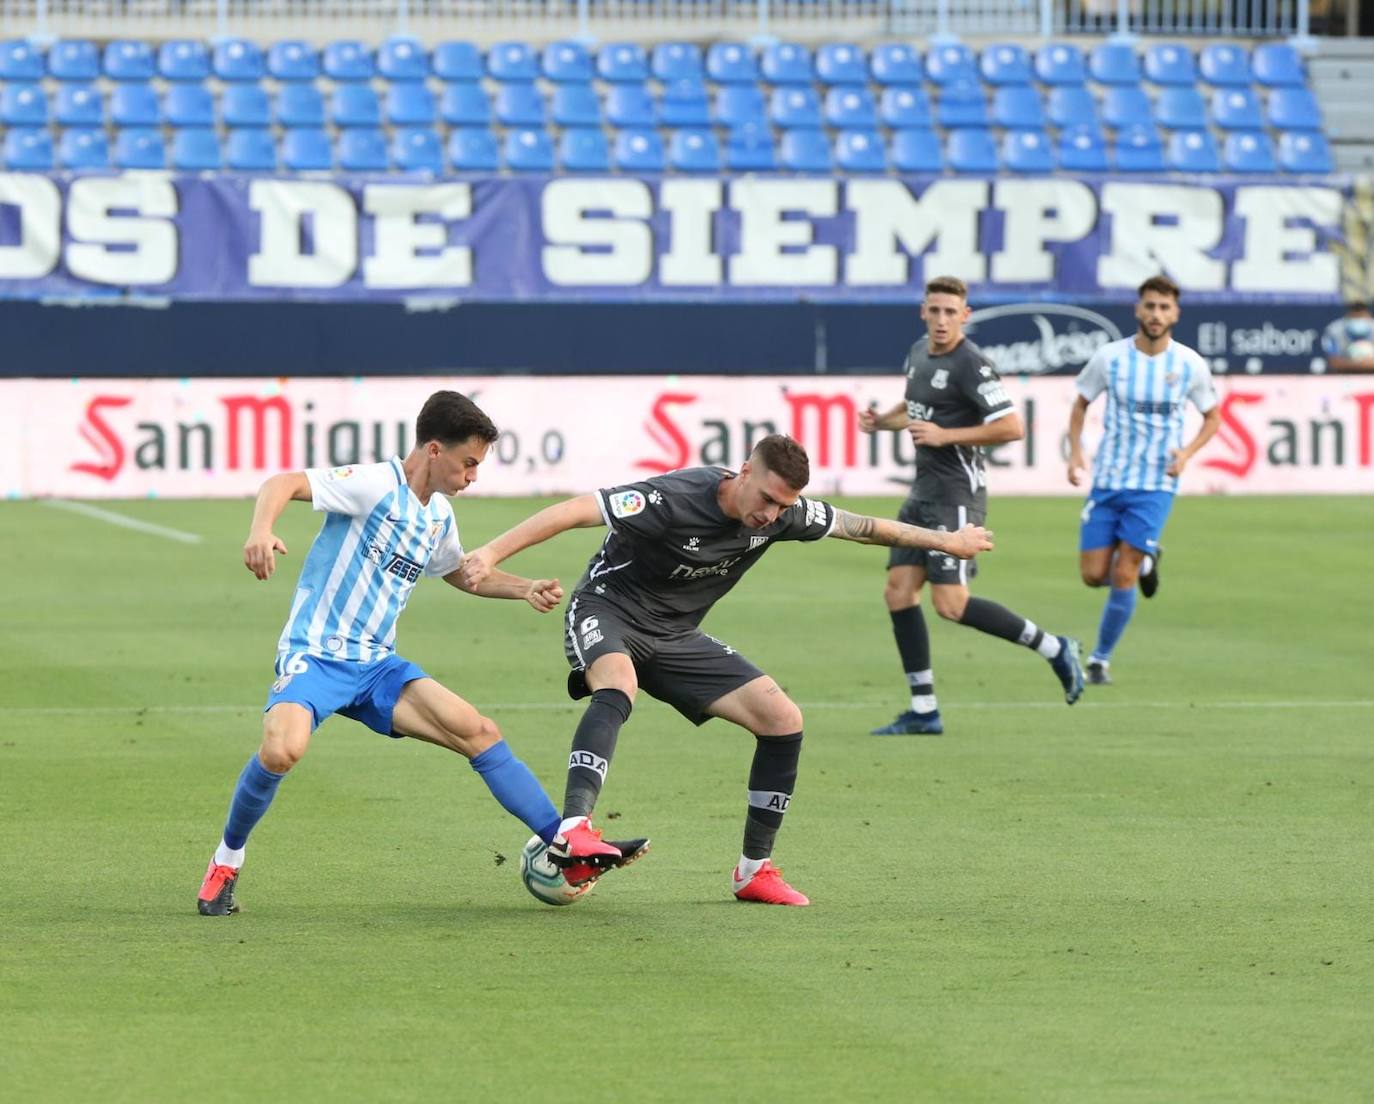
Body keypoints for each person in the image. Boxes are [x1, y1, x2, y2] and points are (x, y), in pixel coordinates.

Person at [457, 435, 992, 907]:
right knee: (619, 684)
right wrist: (491, 551)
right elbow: (575, 510)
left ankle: (753, 872)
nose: (770, 514)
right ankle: (575, 829)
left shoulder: (785, 514)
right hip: (607, 610)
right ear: (743, 471)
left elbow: (864, 527)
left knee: (782, 719)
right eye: (765, 498)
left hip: (676, 636)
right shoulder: (674, 497)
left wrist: (947, 542)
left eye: (783, 505)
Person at [196, 391, 636, 916]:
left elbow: (455, 571)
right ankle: (226, 861)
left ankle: (567, 845)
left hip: (378, 667)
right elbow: (283, 482)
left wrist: (521, 588)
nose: (473, 476)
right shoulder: (374, 485)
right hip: (317, 655)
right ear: (433, 449)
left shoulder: (438, 516)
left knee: (479, 731)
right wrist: (261, 531)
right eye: (468, 463)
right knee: (281, 751)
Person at [857, 275, 1085, 737]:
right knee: (898, 593)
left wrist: (946, 436)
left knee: (951, 604)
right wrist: (883, 422)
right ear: (923, 311)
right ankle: (924, 709)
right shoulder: (920, 351)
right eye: (934, 310)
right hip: (921, 494)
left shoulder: (972, 364)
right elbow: (917, 404)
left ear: (966, 315)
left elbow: (1011, 427)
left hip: (956, 497)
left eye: (950, 312)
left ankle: (1055, 647)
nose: (941, 320)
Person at [1067, 275, 1222, 685]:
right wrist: (1077, 452)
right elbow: (1080, 404)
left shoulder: (1189, 364)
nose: (1156, 314)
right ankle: (1149, 558)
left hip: (1156, 482)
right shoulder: (1110, 358)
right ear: (1138, 310)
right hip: (1109, 479)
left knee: (1124, 573)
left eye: (1164, 307)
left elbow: (1213, 417)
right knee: (1092, 574)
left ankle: (1099, 659)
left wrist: (1187, 453)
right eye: (1149, 306)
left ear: (1176, 313)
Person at [1321, 301, 1374, 374]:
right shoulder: (1335, 330)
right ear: (1348, 315)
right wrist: (1360, 364)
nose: (1358, 319)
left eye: (1361, 316)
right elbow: (1334, 362)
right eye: (1355, 316)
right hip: (1344, 377)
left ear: (1368, 315)